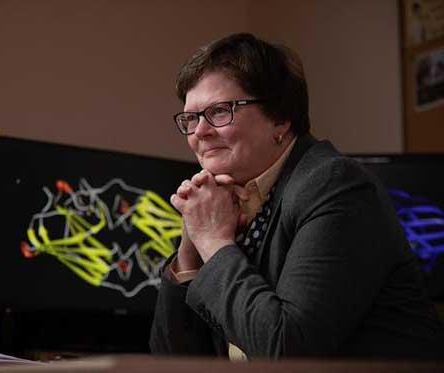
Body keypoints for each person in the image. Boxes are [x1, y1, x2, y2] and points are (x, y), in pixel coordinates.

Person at [149, 33, 444, 359]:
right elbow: (171, 361)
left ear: (281, 117)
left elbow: (287, 350)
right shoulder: (227, 201)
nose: (200, 132)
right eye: (191, 118)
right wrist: (190, 251)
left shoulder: (335, 185)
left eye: (220, 111)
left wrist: (214, 241)